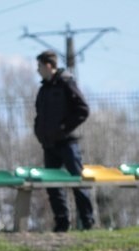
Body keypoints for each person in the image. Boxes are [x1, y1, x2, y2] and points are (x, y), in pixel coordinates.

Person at [34, 50, 93, 232]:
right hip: (49, 144)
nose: (38, 71)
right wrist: (40, 131)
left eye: (39, 67)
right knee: (53, 186)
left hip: (67, 144)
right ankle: (61, 223)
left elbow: (82, 109)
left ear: (48, 65)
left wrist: (63, 128)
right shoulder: (44, 89)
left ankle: (87, 222)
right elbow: (39, 114)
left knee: (78, 182)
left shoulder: (66, 83)